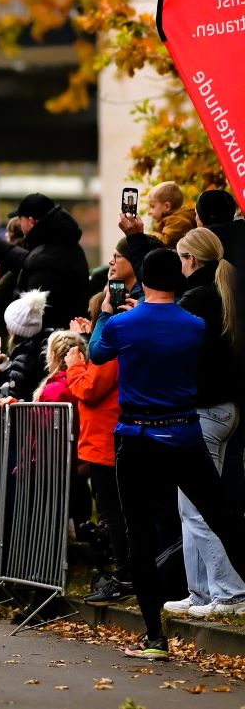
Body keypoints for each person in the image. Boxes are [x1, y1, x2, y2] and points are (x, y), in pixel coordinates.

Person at [88, 248, 245, 659]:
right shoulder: (194, 325)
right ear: (178, 279)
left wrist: (106, 311)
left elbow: (97, 353)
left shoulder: (123, 323)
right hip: (184, 434)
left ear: (142, 278)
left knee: (139, 535)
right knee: (223, 520)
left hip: (137, 437)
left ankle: (155, 638)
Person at [172, 228, 245, 617]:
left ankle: (229, 594)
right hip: (224, 410)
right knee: (192, 507)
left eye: (179, 259)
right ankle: (201, 593)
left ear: (191, 260)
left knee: (199, 508)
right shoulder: (225, 290)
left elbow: (169, 338)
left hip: (205, 411)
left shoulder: (197, 297)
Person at [66, 299, 133, 606]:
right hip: (105, 439)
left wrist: (74, 366)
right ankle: (124, 572)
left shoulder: (109, 350)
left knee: (114, 513)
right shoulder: (113, 344)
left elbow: (89, 389)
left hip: (106, 440)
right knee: (114, 512)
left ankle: (124, 576)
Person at [0, 193, 90, 332]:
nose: (20, 225)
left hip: (49, 345)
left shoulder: (45, 256)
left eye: (20, 219)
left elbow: (36, 319)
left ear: (31, 222)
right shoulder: (61, 245)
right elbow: (27, 260)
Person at [148, 182, 198, 248]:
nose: (149, 212)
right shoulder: (173, 219)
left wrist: (151, 235)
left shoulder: (177, 221)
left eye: (152, 206)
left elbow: (166, 243)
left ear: (166, 206)